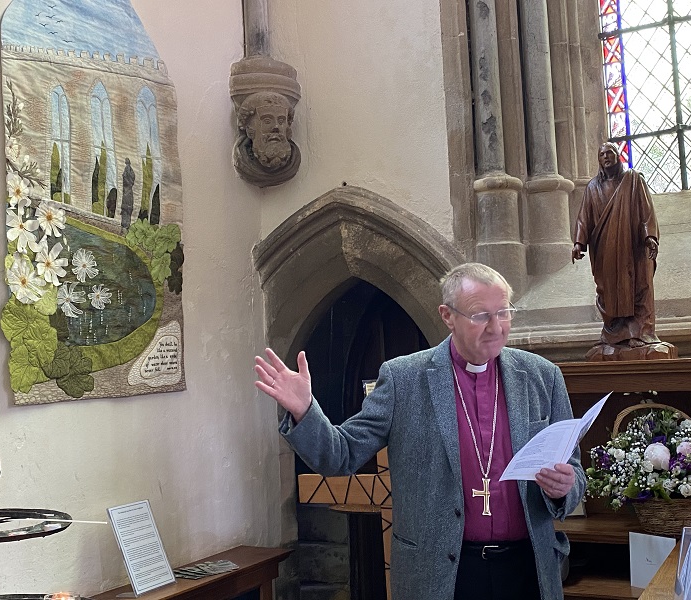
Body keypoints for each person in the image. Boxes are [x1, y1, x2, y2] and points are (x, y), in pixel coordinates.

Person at [255, 262, 585, 600]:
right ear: (447, 315)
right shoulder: (404, 379)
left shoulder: (542, 377)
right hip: (441, 572)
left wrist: (564, 487)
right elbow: (341, 454)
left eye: (503, 312)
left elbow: (574, 471)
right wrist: (304, 410)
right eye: (480, 315)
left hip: (527, 566)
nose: (496, 327)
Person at [572, 142, 660, 348]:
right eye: (601, 154)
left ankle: (641, 333)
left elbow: (646, 211)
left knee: (639, 286)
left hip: (633, 247)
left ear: (618, 154)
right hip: (605, 250)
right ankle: (615, 334)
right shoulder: (593, 186)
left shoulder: (633, 179)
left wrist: (650, 237)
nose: (605, 157)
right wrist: (578, 243)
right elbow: (583, 218)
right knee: (609, 291)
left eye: (609, 152)